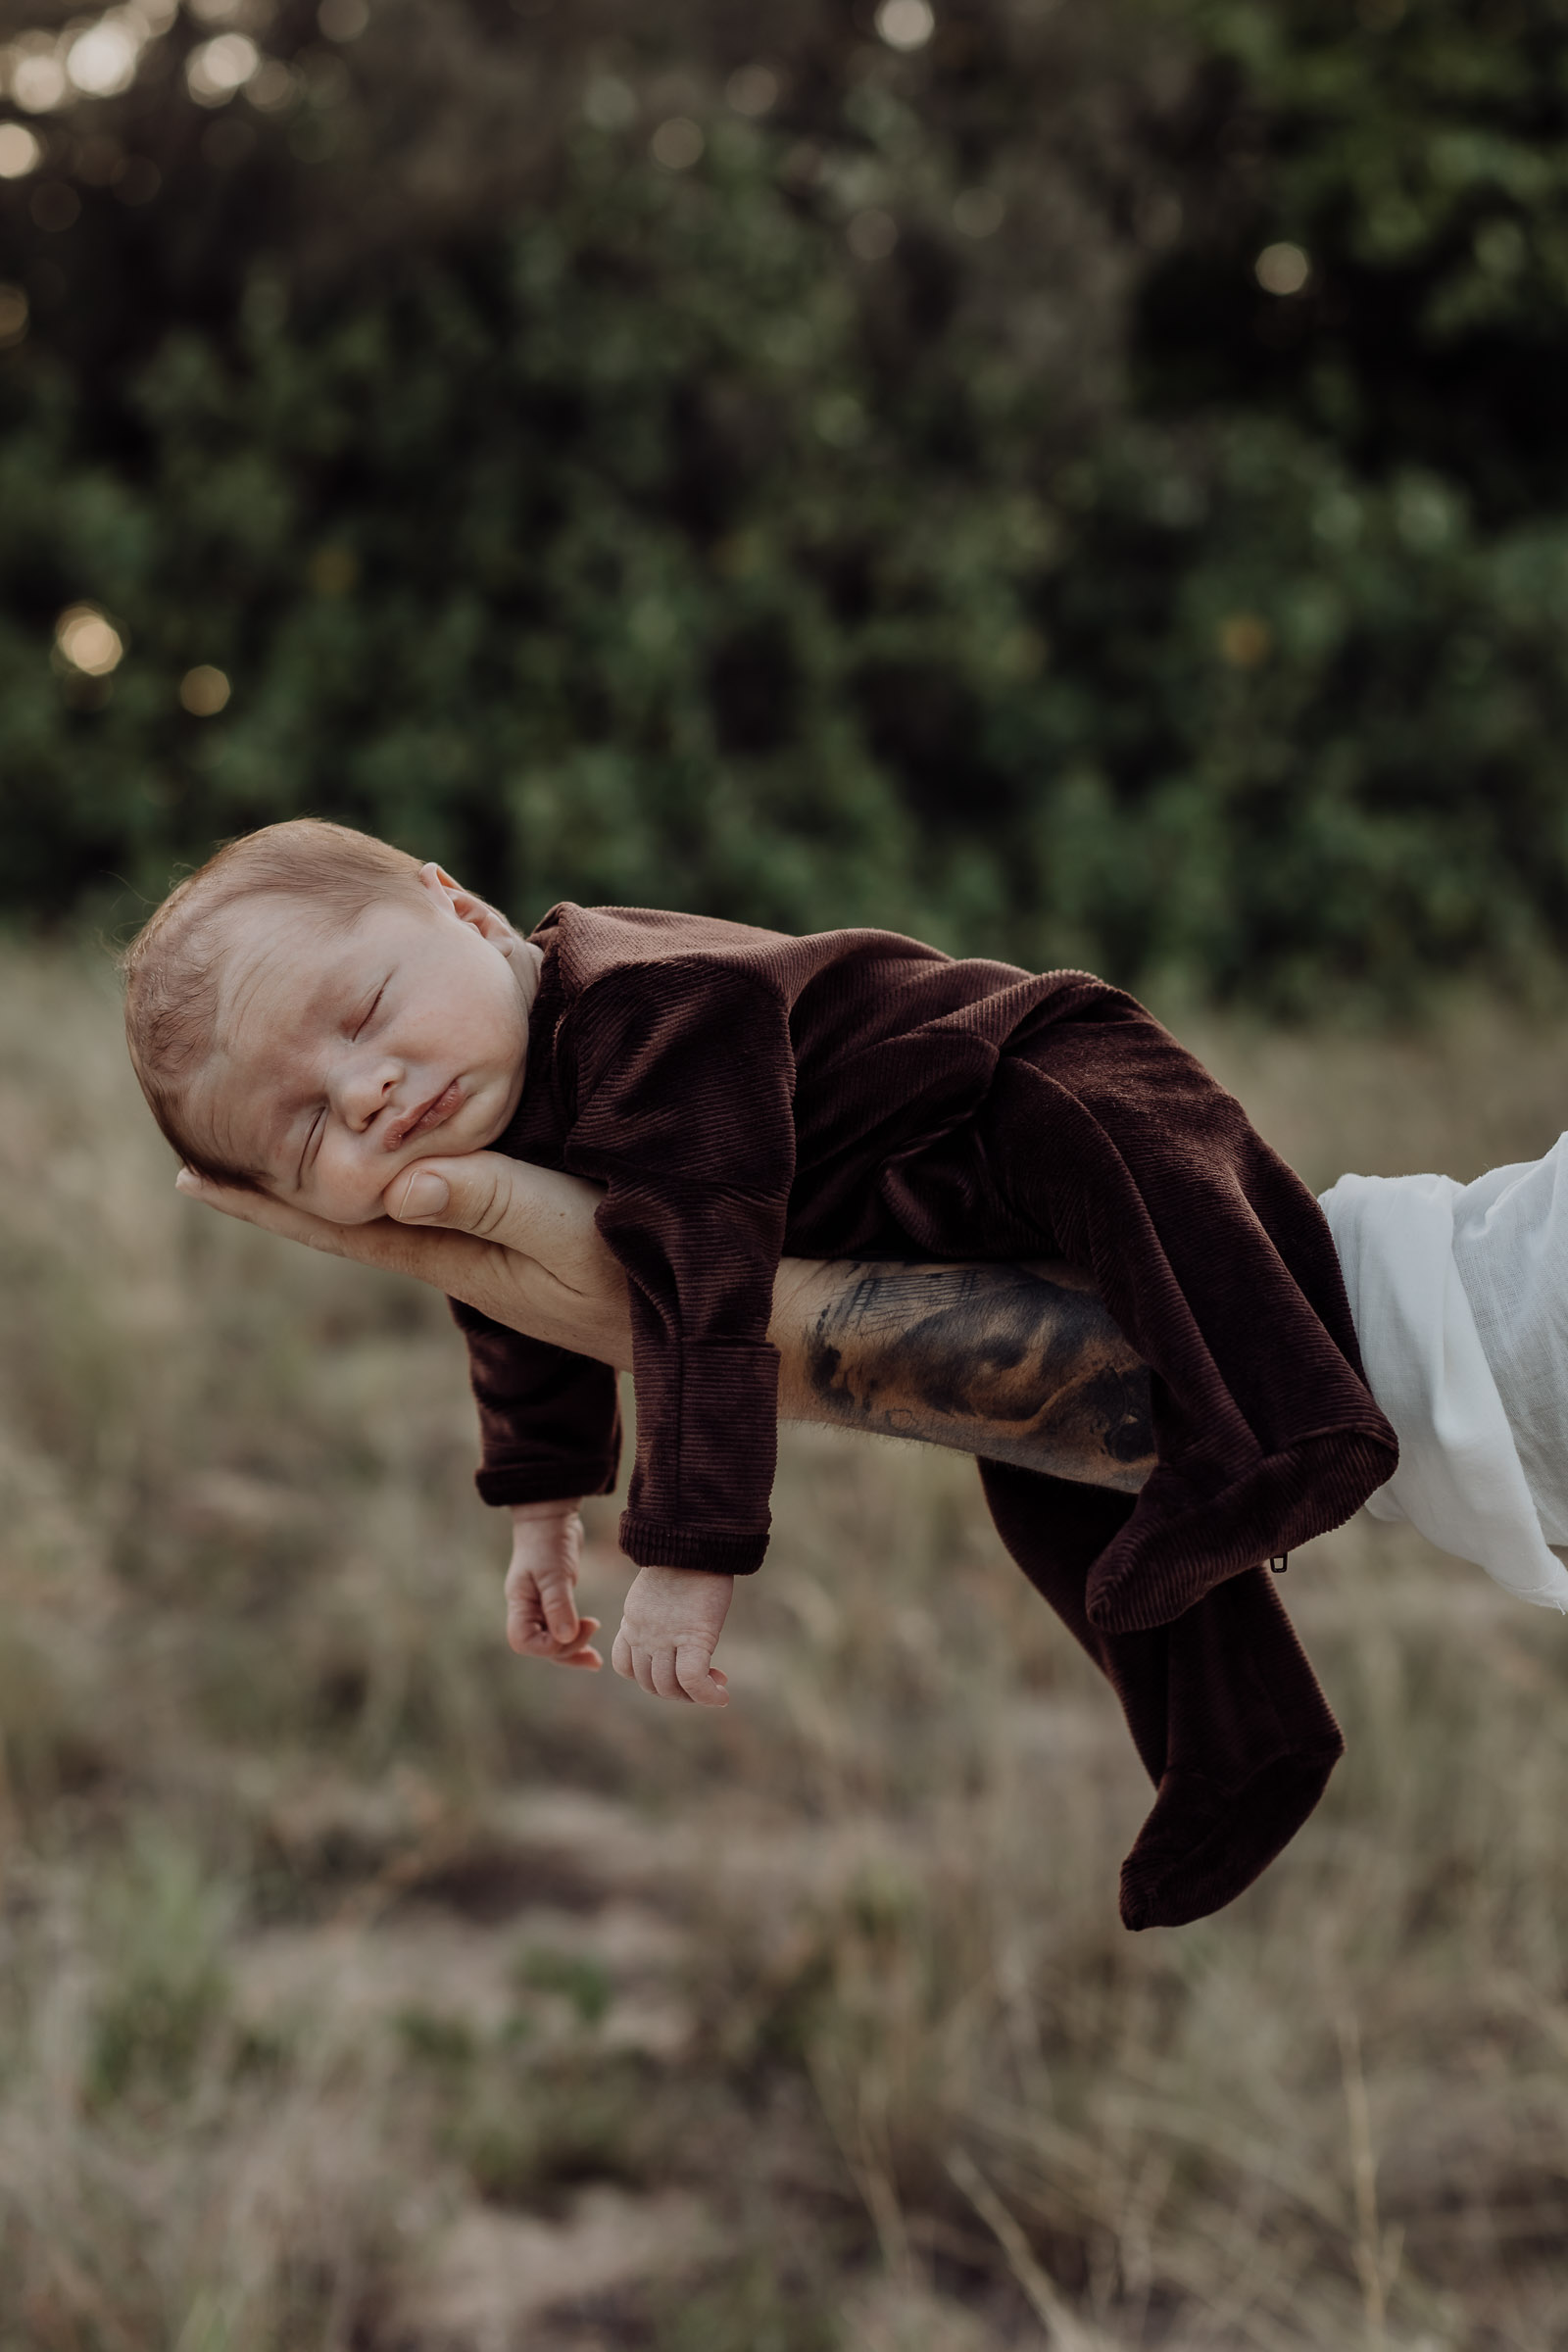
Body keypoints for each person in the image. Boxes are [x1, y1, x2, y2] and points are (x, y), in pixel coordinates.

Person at [123, 819, 1398, 1930]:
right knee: (1053, 1493)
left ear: (462, 908)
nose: (368, 1090)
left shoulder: (652, 1009)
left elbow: (698, 1281)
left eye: (361, 1014)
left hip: (1015, 1083)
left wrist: (685, 1547)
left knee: (1139, 1203)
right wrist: (542, 1511)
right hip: (938, 1227)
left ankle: (1293, 1433)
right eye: (302, 1127)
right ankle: (1241, 1749)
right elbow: (527, 1309)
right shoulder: (500, 1106)